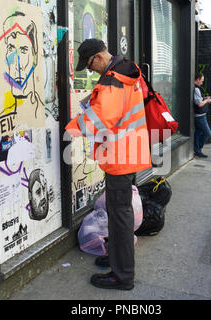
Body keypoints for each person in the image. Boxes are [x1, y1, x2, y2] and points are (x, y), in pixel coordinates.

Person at [65, 38, 152, 290]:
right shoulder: (126, 70)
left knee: (120, 217)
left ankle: (122, 276)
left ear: (100, 57)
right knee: (117, 213)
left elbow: (99, 120)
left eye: (90, 65)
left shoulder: (114, 80)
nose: (90, 70)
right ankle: (116, 257)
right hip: (127, 153)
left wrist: (71, 127)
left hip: (120, 157)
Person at [193, 72, 211, 158]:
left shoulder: (196, 89)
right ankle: (198, 149)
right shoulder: (196, 89)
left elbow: (200, 100)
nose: (202, 82)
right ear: (197, 80)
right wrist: (207, 101)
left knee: (198, 133)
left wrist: (205, 98)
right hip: (200, 117)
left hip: (200, 116)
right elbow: (199, 104)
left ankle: (197, 150)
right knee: (207, 133)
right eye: (201, 80)